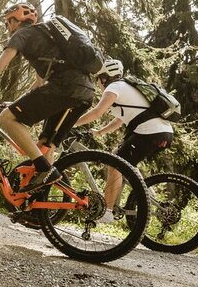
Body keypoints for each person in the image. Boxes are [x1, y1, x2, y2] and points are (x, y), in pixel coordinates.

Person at [0, 2, 95, 193]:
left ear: (15, 21)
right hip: (85, 91)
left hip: (64, 88)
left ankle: (45, 169)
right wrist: (15, 104)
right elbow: (38, 85)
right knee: (45, 146)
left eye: (7, 22)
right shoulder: (46, 35)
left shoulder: (22, 34)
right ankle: (39, 200)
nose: (7, 27)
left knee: (6, 117)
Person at [74, 58, 174, 222]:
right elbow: (120, 120)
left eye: (98, 78)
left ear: (104, 77)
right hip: (163, 132)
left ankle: (107, 212)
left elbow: (97, 112)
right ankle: (144, 192)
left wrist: (72, 123)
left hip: (149, 132)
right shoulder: (127, 87)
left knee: (115, 164)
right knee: (120, 158)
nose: (98, 83)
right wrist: (100, 131)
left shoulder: (114, 87)